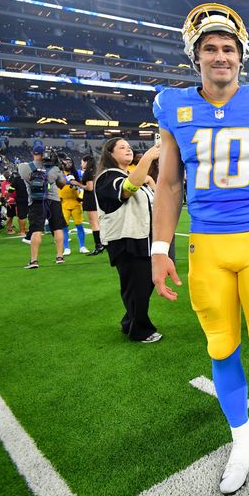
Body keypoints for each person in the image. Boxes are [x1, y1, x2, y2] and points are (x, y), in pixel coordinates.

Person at [150, 2, 249, 495]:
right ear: (195, 56)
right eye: (210, 48)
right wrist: (160, 249)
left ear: (242, 57)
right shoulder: (173, 105)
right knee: (220, 345)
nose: (220, 56)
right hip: (207, 246)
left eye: (228, 48)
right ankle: (242, 439)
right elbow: (169, 185)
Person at [95, 138, 162, 343]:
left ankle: (130, 321)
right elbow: (126, 190)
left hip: (140, 237)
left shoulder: (130, 175)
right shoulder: (107, 176)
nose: (128, 149)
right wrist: (149, 158)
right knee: (136, 285)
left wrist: (150, 181)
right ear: (110, 154)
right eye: (122, 147)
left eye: (129, 147)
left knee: (143, 284)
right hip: (125, 240)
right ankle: (140, 330)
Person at [17, 146, 68, 269]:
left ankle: (34, 260)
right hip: (54, 201)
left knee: (36, 230)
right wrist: (57, 168)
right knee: (57, 228)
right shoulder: (54, 168)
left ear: (32, 153)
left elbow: (26, 178)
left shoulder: (24, 167)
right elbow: (62, 183)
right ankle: (59, 257)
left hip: (36, 201)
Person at [59, 155, 89, 254]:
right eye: (66, 162)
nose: (68, 164)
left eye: (70, 162)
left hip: (76, 202)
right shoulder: (59, 174)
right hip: (63, 203)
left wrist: (77, 183)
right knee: (64, 227)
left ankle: (82, 246)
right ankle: (66, 247)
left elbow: (85, 183)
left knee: (79, 225)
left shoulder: (78, 173)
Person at [79, 154, 105, 255]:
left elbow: (89, 187)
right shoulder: (97, 171)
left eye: (82, 162)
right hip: (98, 198)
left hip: (90, 199)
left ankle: (99, 245)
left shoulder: (88, 172)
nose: (81, 164)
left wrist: (78, 184)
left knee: (94, 223)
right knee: (99, 222)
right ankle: (103, 243)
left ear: (86, 162)